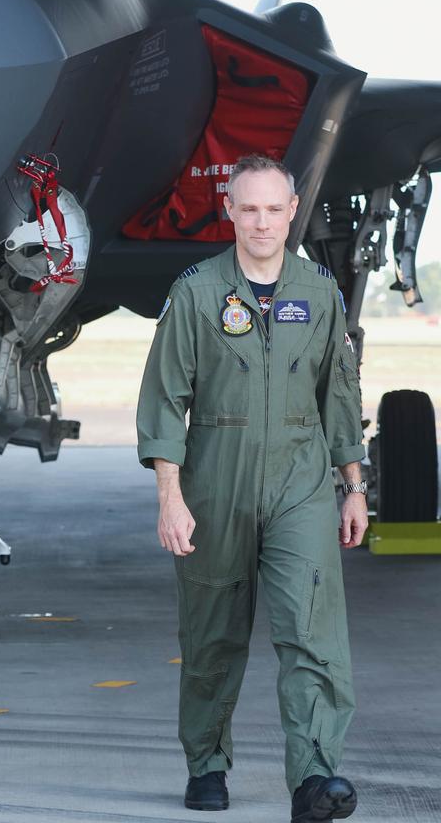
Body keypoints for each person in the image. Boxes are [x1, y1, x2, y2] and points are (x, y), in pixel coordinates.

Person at [136, 154, 367, 822]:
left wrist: (353, 485)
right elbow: (164, 401)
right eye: (249, 208)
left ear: (292, 211)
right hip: (215, 482)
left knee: (313, 634)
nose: (262, 221)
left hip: (299, 480)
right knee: (212, 635)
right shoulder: (197, 293)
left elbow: (340, 396)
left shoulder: (319, 292)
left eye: (275, 208)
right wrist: (169, 497)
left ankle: (315, 778)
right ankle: (206, 763)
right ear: (230, 211)